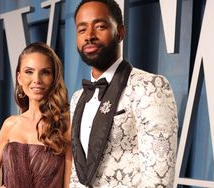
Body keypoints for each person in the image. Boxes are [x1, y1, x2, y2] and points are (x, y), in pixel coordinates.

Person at [70, 0, 178, 187]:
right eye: (82, 30)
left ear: (120, 32)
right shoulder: (78, 98)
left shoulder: (150, 86)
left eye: (100, 26)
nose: (89, 36)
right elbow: (77, 173)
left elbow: (159, 180)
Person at [0, 42, 71, 188]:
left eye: (45, 72)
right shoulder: (10, 124)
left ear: (54, 78)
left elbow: (69, 183)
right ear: (19, 78)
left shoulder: (64, 124)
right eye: (29, 72)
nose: (37, 80)